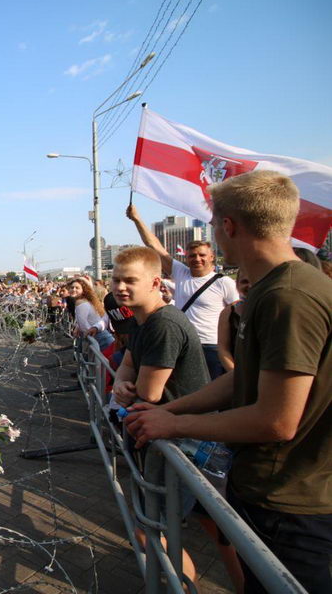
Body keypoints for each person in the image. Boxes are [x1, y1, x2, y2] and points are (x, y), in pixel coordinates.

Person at [125, 171, 331, 593]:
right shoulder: (272, 290)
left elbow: (276, 421)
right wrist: (170, 410)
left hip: (290, 499)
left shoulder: (286, 296)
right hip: (272, 489)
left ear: (229, 226)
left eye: (215, 225)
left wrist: (173, 425)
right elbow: (240, 381)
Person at [111, 246, 211, 589]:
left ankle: (183, 585)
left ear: (155, 282)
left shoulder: (163, 324)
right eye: (116, 279)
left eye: (130, 280)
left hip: (182, 439)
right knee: (159, 524)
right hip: (165, 434)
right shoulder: (142, 319)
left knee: (153, 527)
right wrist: (125, 383)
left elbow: (150, 392)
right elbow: (127, 367)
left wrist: (128, 387)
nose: (121, 286)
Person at [127, 204, 238, 379]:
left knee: (211, 396)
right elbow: (153, 245)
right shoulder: (181, 273)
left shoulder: (224, 283)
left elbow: (236, 316)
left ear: (212, 257)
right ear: (186, 257)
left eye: (202, 255)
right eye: (192, 255)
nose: (197, 259)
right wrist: (137, 219)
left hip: (211, 347)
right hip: (183, 344)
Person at [66, 278, 114, 352]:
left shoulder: (80, 302)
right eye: (72, 287)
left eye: (77, 288)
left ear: (83, 290)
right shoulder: (88, 301)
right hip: (103, 336)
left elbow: (84, 327)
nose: (73, 289)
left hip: (98, 338)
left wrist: (86, 335)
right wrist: (78, 327)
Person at [216, 272, 250, 372]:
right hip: (235, 373)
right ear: (237, 285)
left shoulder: (272, 309)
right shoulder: (228, 312)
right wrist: (236, 374)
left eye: (254, 281)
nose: (250, 285)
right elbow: (223, 348)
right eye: (244, 282)